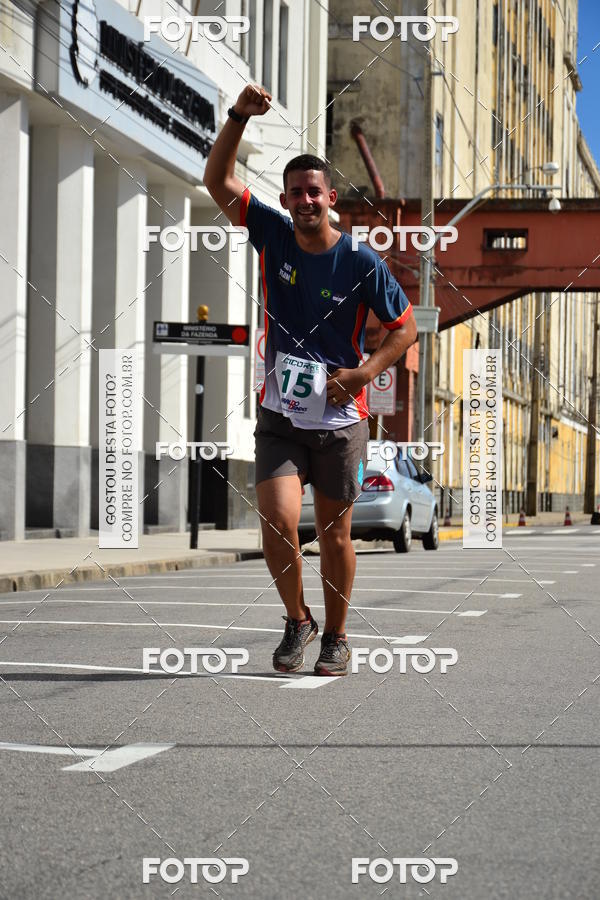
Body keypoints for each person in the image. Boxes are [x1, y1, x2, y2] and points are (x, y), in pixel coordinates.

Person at [204, 85, 417, 676]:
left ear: (331, 200)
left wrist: (365, 373)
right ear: (285, 199)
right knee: (275, 519)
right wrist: (238, 118)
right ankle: (298, 620)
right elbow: (217, 182)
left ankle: (337, 636)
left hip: (340, 421)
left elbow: (405, 331)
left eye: (314, 192)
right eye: (295, 192)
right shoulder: (270, 233)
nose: (304, 200)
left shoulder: (360, 262)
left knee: (336, 536)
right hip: (280, 413)